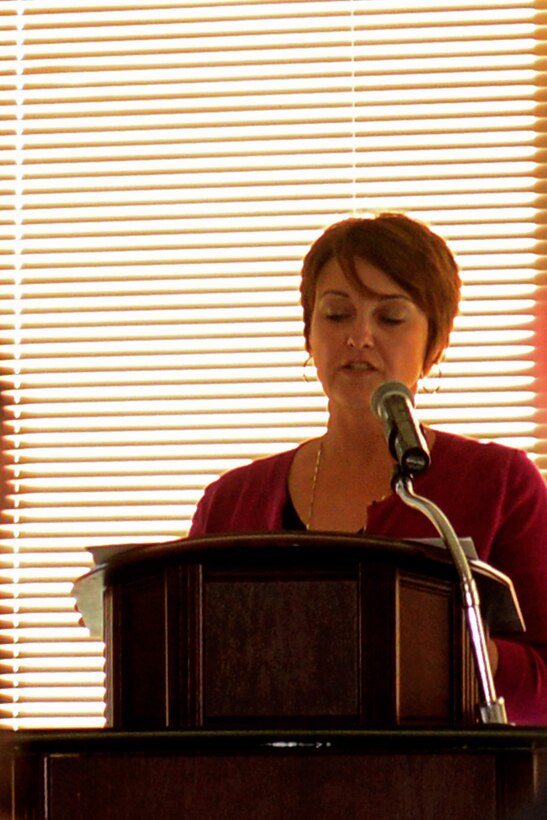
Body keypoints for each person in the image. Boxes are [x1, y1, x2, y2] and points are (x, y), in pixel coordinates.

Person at [189, 212, 547, 726]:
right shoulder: (229, 502)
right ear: (308, 335)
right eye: (336, 315)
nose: (359, 336)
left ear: (435, 345)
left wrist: (466, 653)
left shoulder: (501, 484)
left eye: (390, 318)